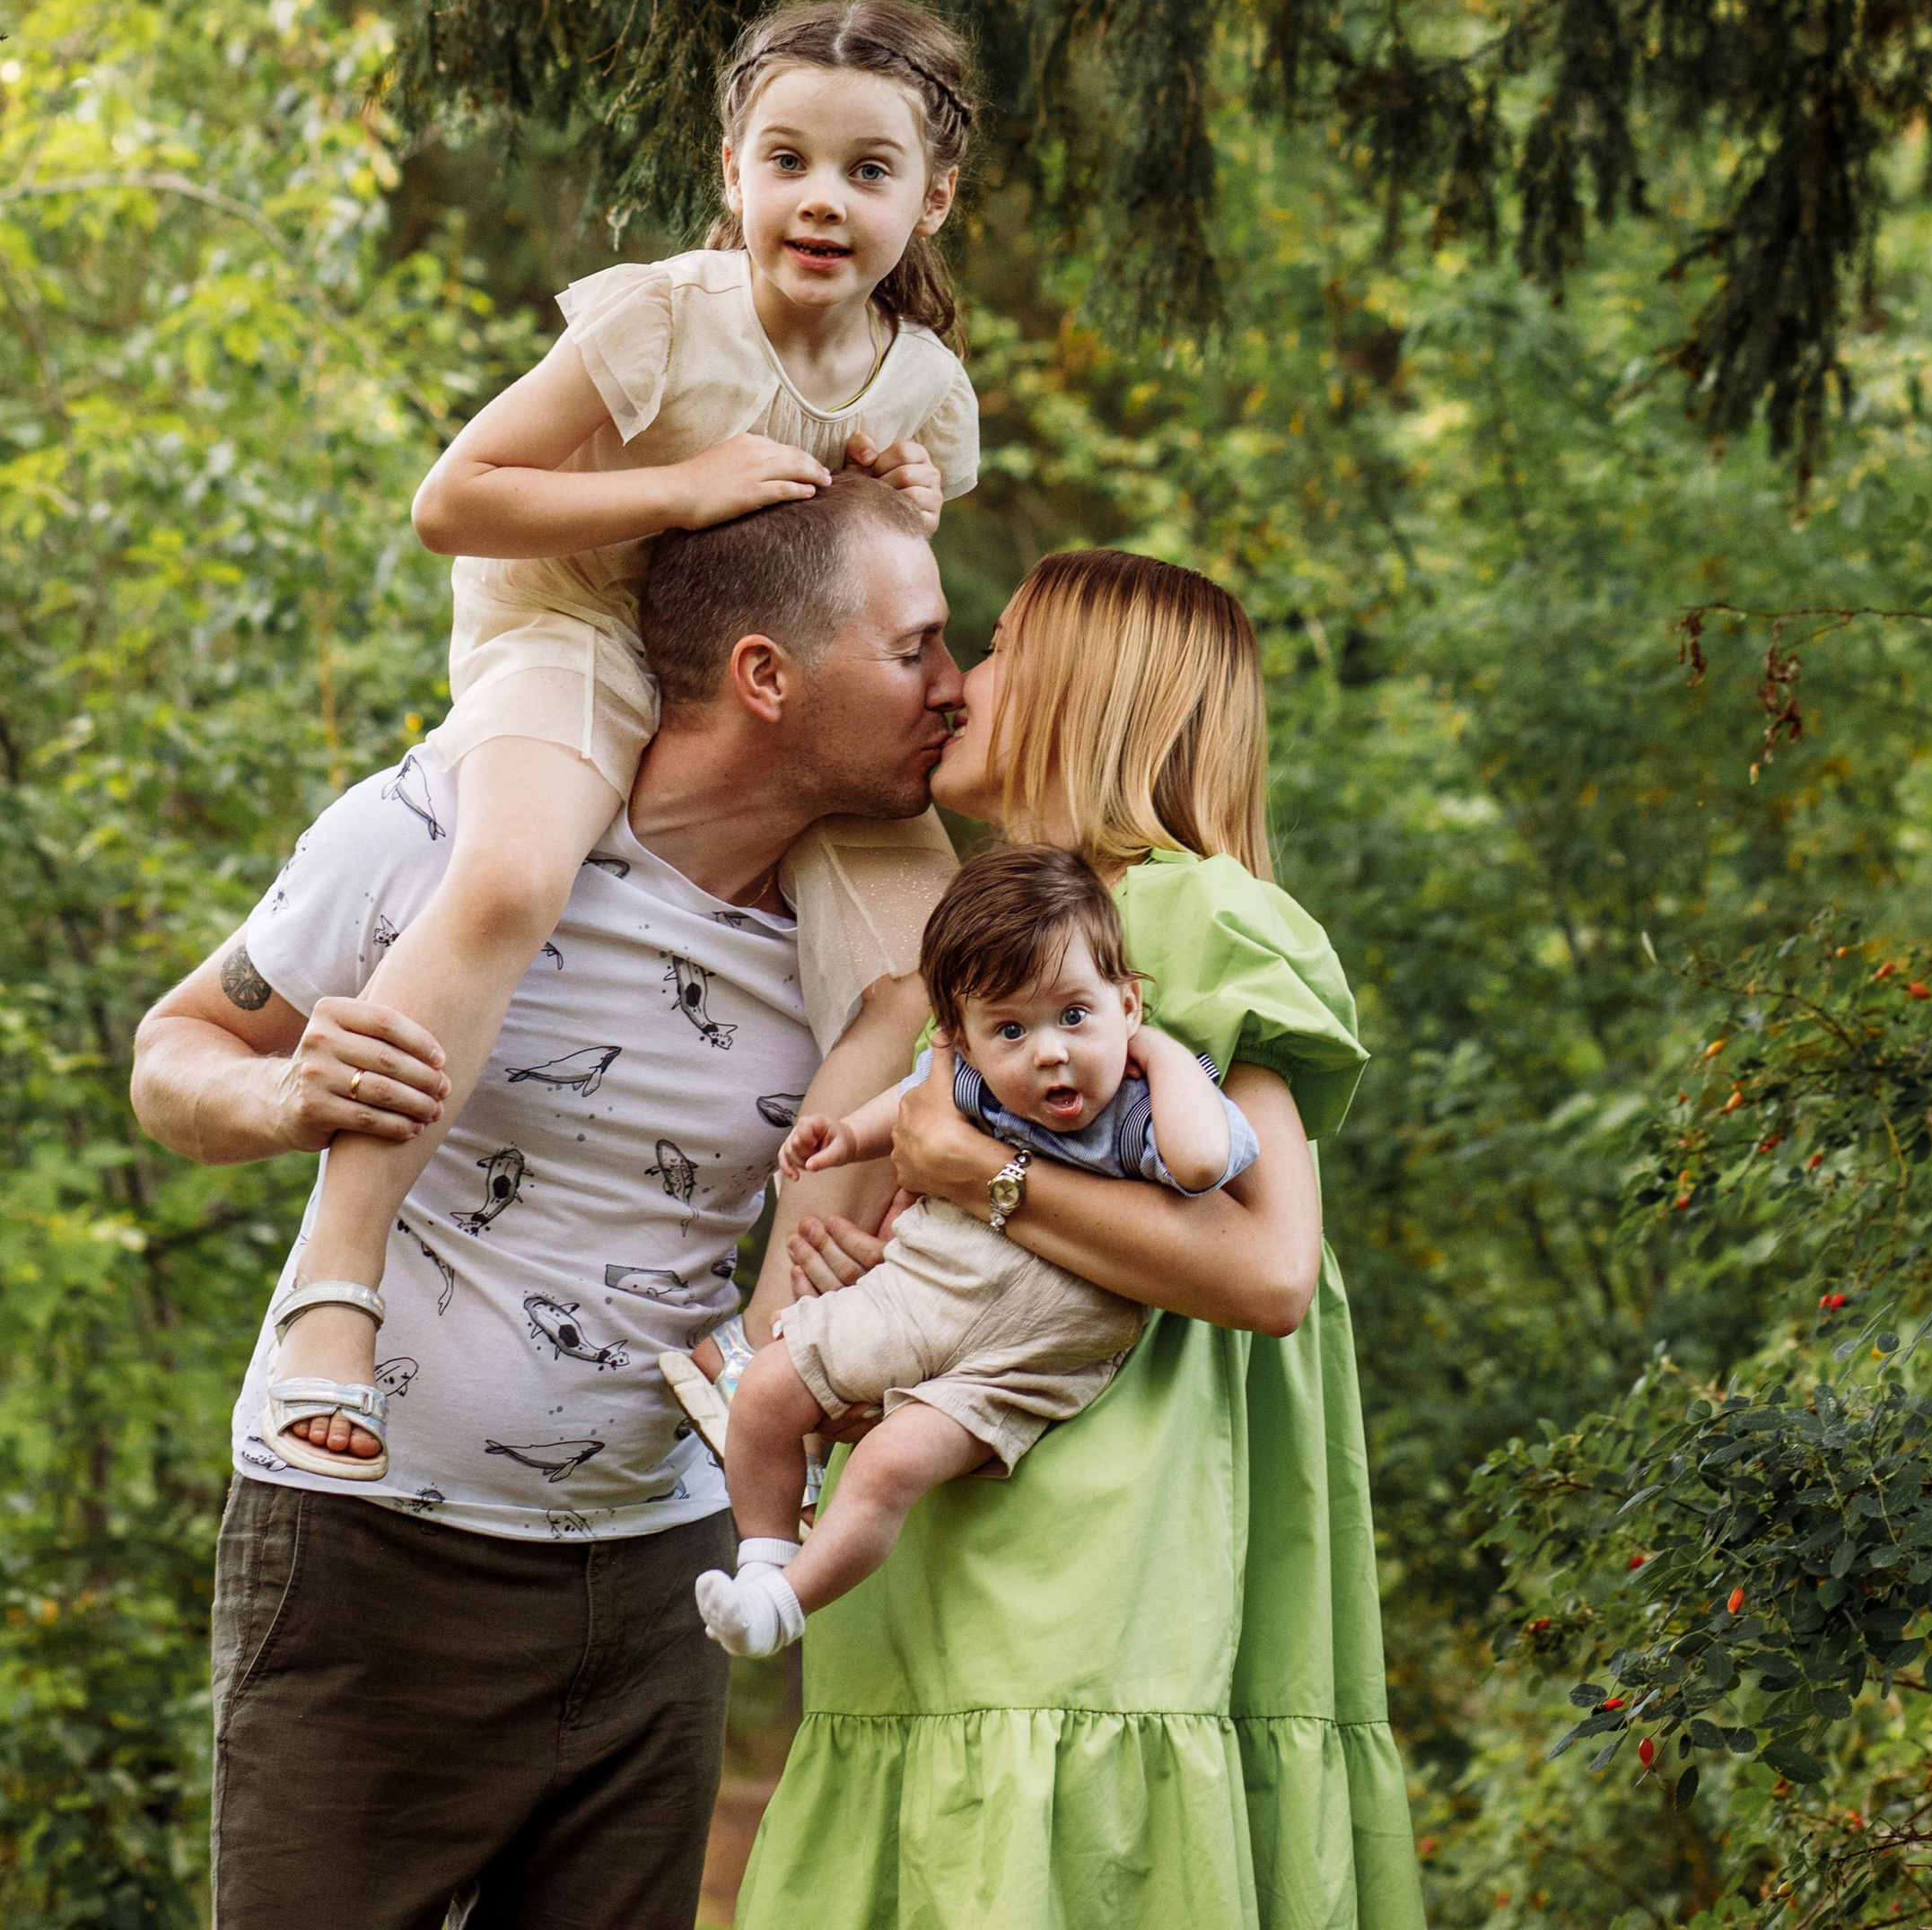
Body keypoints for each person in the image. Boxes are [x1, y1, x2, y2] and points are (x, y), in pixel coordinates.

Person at [130, 476, 963, 1930]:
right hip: (373, 1545)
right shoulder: (451, 827)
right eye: (917, 652)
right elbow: (174, 1056)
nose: (954, 690)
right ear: (766, 678)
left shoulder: (864, 942)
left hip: (659, 1578)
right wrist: (287, 1098)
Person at [266, 0, 982, 1478]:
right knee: (517, 873)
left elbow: (859, 593)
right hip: (576, 624)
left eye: (867, 171)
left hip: (753, 679)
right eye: (786, 159)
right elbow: (453, 502)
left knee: (923, 968)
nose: (821, 200)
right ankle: (336, 1285)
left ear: (932, 198)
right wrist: (676, 487)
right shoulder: (666, 316)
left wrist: (895, 503)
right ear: (732, 172)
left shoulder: (924, 385)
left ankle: (765, 1348)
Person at [731, 546, 1428, 1930]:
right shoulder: (993, 966)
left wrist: (984, 1176)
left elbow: (1272, 1271)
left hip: (1107, 1572)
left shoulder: (1195, 916)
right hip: (954, 1531)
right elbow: (852, 1263)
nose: (959, 682)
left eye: (998, 649)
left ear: (1089, 690)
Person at [691, 843, 1260, 1657]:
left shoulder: (1143, 1108)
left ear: (1128, 1003)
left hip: (1024, 1361)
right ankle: (764, 1563)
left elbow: (1203, 1164)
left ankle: (787, 1604)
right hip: (922, 1298)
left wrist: (1159, 1052)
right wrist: (846, 1135)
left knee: (889, 1467)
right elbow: (913, 1102)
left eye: (1075, 1015)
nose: (1050, 1051)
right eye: (1010, 1029)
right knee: (766, 1392)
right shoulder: (974, 1085)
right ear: (962, 1038)